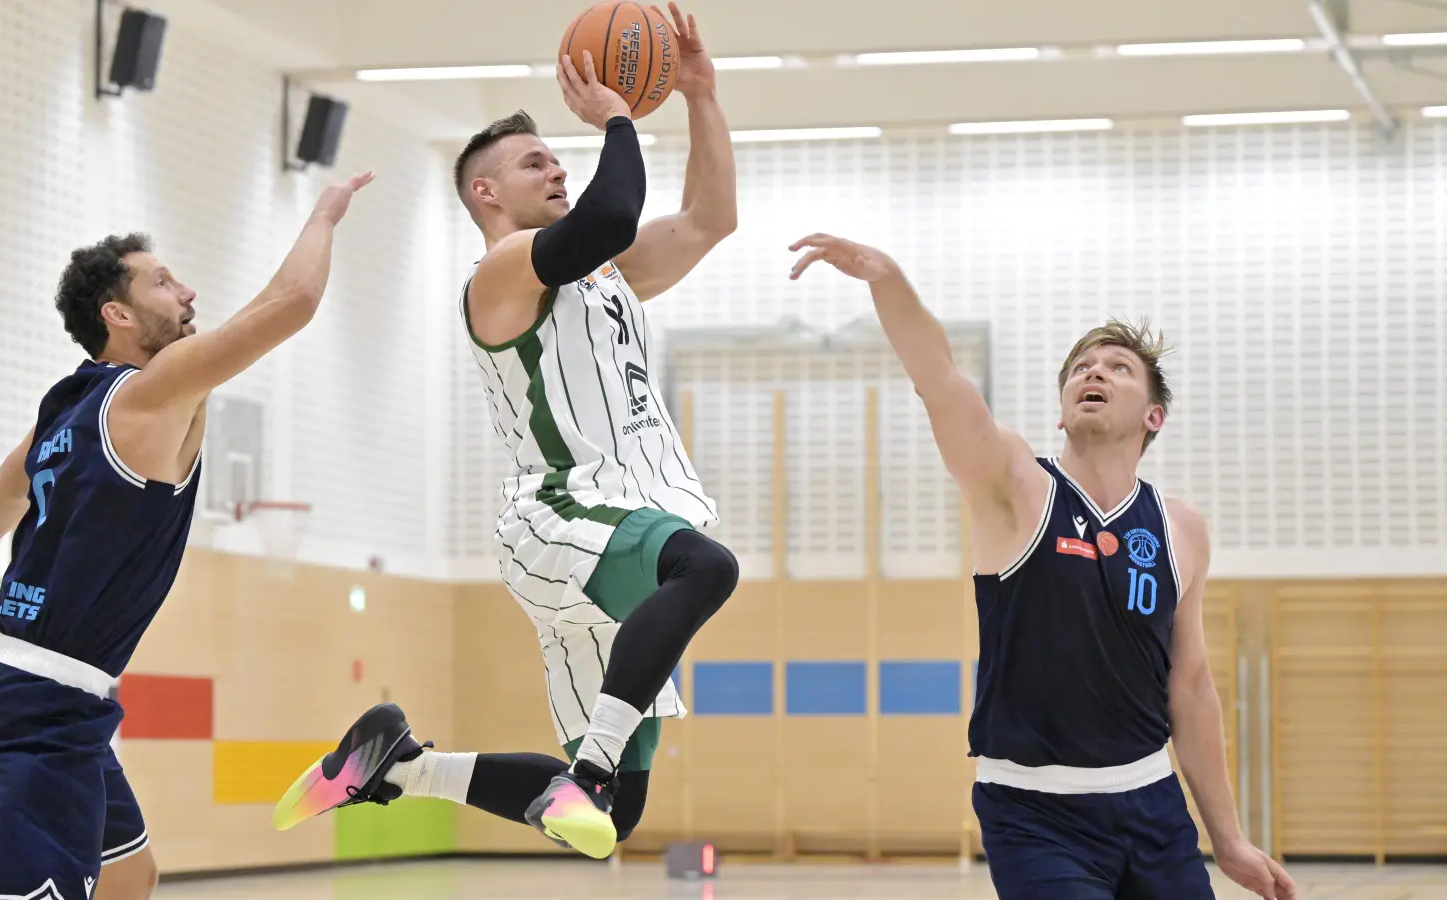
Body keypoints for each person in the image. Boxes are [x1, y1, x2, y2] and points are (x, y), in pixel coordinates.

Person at [275, 3, 738, 861]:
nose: (557, 169)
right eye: (536, 162)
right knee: (706, 567)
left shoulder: (605, 275)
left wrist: (702, 97)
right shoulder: (501, 272)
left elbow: (710, 220)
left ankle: (400, 766)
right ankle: (590, 769)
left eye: (560, 158)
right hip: (561, 517)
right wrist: (619, 121)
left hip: (620, 529)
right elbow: (605, 216)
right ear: (486, 193)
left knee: (615, 825)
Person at [0, 172, 373, 899]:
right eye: (164, 282)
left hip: (41, 686)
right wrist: (326, 215)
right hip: (45, 698)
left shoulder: (62, 408)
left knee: (130, 876)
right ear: (116, 312)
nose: (187, 294)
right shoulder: (155, 389)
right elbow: (293, 302)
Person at [785, 234, 1297, 900]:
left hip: (1152, 805)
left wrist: (1227, 839)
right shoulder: (1016, 486)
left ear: (1153, 415)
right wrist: (888, 281)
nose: (1094, 373)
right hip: (1034, 812)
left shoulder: (1181, 529)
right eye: (1082, 367)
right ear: (1061, 411)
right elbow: (942, 382)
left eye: (1117, 367)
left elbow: (1192, 687)